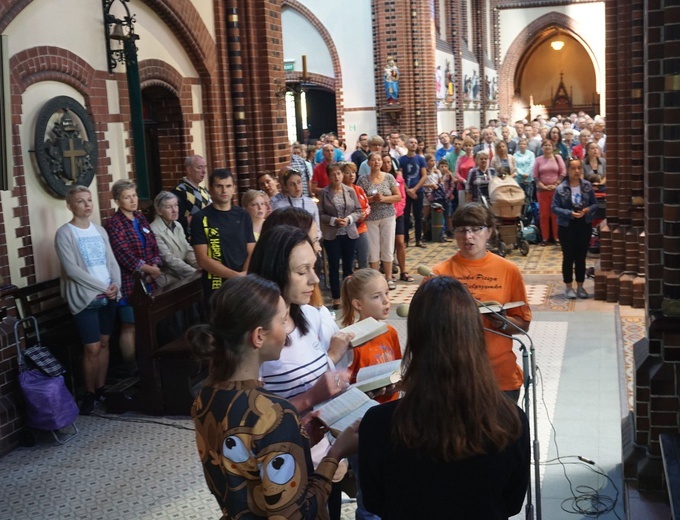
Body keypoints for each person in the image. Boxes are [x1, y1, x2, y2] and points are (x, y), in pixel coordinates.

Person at [359, 276, 530, 519]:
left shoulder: (378, 423)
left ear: (416, 336)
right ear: (474, 334)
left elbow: (375, 502)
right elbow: (511, 505)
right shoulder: (511, 421)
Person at [190, 275, 359, 519]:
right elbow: (293, 514)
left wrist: (297, 436)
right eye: (282, 320)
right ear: (259, 336)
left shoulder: (205, 397)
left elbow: (246, 464)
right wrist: (335, 455)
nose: (288, 330)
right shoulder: (274, 412)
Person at [430, 203, 532, 401]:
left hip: (499, 376)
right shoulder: (439, 273)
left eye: (476, 229)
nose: (468, 237)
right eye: (462, 230)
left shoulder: (509, 270)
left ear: (489, 232)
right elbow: (424, 327)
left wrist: (501, 322)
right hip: (454, 376)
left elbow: (523, 324)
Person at [340, 268, 402, 520]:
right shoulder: (349, 339)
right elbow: (342, 388)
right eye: (377, 297)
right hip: (363, 423)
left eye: (387, 293)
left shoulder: (390, 332)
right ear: (358, 304)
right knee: (368, 493)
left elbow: (395, 369)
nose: (386, 301)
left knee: (393, 483)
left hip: (392, 417)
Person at [55, 185, 121, 414]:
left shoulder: (99, 230)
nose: (87, 205)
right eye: (81, 201)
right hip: (85, 299)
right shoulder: (65, 233)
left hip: (108, 296)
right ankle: (89, 393)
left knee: (104, 344)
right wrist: (103, 286)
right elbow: (72, 270)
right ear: (70, 206)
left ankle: (101, 388)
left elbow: (111, 261)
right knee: (91, 348)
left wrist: (116, 285)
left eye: (89, 200)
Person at [106, 179, 162, 372]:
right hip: (129, 281)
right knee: (129, 325)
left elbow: (153, 243)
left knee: (146, 322)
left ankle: (148, 361)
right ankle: (131, 366)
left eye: (134, 195)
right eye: (127, 197)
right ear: (117, 200)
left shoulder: (141, 218)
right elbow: (122, 253)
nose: (132, 200)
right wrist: (147, 269)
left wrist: (155, 265)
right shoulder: (114, 223)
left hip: (149, 280)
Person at [191, 169, 255, 305]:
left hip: (243, 284)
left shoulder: (243, 215)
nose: (224, 190)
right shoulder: (201, 218)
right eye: (219, 186)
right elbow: (202, 259)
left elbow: (252, 250)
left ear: (234, 189)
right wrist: (235, 276)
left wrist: (244, 276)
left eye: (228, 186)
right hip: (216, 286)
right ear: (210, 189)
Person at [552, 156, 598, 299]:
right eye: (573, 168)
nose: (576, 171)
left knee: (581, 256)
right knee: (568, 256)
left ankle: (580, 286)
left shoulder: (586, 186)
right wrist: (569, 213)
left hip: (584, 224)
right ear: (567, 170)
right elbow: (554, 208)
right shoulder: (561, 189)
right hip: (567, 225)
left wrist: (587, 210)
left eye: (579, 168)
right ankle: (568, 287)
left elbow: (595, 204)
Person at [317, 164, 363, 308]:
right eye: (333, 175)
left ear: (342, 175)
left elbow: (358, 210)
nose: (336, 177)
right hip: (332, 234)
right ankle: (336, 297)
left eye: (338, 174)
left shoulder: (350, 190)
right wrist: (333, 220)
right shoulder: (324, 192)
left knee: (349, 267)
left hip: (349, 233)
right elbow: (320, 213)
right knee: (334, 266)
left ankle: (348, 296)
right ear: (328, 177)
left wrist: (348, 219)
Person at [357, 152, 402, 290]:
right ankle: (376, 278)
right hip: (371, 218)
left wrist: (384, 199)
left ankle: (388, 277)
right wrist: (372, 199)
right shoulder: (362, 180)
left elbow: (398, 196)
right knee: (373, 248)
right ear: (368, 163)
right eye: (373, 160)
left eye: (378, 160)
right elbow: (359, 199)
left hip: (387, 216)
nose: (376, 162)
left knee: (387, 246)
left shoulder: (388, 177)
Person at [150, 191, 199, 286]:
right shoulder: (154, 230)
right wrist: (195, 272)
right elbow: (169, 259)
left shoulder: (177, 225)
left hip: (183, 274)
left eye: (176, 205)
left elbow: (187, 251)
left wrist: (200, 265)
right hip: (167, 279)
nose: (175, 210)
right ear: (159, 211)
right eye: (169, 207)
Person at [533, 140, 566, 245]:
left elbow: (563, 172)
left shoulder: (558, 158)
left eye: (549, 145)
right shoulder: (538, 160)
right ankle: (545, 238)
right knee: (544, 215)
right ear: (542, 148)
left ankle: (557, 238)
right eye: (545, 145)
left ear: (553, 147)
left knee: (555, 214)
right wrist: (541, 185)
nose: (547, 147)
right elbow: (535, 175)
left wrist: (556, 184)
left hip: (556, 190)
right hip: (542, 190)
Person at [270, 169, 321, 236]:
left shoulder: (311, 203)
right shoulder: (279, 206)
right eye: (292, 184)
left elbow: (317, 229)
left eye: (299, 182)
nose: (297, 187)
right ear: (286, 187)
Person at [398, 136, 428, 248]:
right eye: (411, 142)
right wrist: (407, 189)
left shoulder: (420, 159)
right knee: (405, 216)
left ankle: (418, 239)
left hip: (418, 191)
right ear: (406, 145)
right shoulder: (401, 160)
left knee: (418, 216)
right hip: (405, 191)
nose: (414, 144)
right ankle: (405, 239)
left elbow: (424, 176)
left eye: (415, 142)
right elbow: (400, 176)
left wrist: (415, 189)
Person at [340, 161, 370, 270]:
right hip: (347, 230)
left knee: (364, 260)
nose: (352, 175)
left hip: (362, 228)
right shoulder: (339, 190)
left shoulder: (359, 189)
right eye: (348, 172)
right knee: (349, 262)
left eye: (353, 172)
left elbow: (367, 205)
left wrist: (365, 213)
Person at [173, 155, 211, 239]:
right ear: (189, 170)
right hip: (192, 241)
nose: (204, 171)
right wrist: (205, 213)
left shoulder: (203, 190)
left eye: (205, 167)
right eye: (199, 167)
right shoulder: (180, 191)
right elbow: (177, 221)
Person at [454, 136, 476, 205]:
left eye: (470, 145)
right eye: (466, 146)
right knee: (463, 205)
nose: (468, 147)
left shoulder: (475, 157)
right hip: (462, 185)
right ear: (463, 147)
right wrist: (463, 180)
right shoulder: (460, 158)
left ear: (472, 147)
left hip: (473, 185)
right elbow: (456, 172)